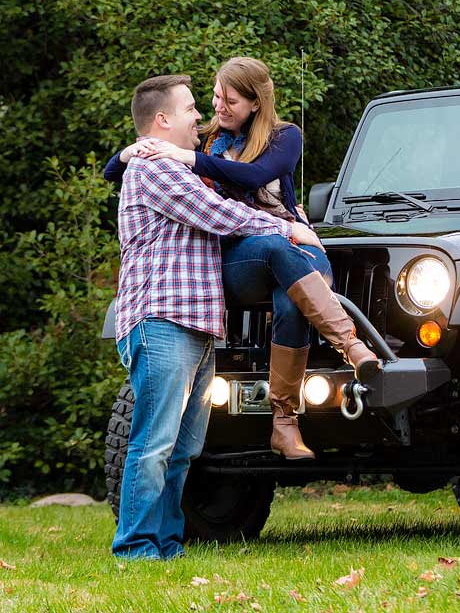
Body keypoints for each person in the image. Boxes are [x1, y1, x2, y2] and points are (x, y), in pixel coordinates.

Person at [105, 58, 378, 462]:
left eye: (229, 100)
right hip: (248, 247)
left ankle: (284, 423)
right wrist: (133, 149)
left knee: (291, 299)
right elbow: (116, 170)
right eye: (214, 96)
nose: (216, 107)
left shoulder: (285, 137)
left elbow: (251, 177)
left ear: (255, 103)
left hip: (292, 238)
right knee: (276, 249)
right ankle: (351, 346)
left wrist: (188, 160)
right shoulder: (209, 136)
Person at [112, 74, 324, 559]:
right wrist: (289, 229)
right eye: (191, 109)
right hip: (163, 320)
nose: (200, 118)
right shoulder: (152, 170)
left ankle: (167, 544)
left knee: (184, 448)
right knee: (154, 443)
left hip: (198, 325)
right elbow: (219, 213)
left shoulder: (172, 165)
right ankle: (135, 546)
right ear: (162, 120)